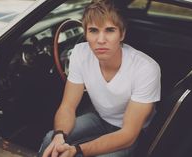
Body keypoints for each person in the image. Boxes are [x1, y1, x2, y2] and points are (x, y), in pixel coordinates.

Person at [39, 0, 161, 156]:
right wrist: (59, 137)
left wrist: (77, 150)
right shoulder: (80, 53)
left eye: (110, 30)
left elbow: (128, 135)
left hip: (132, 132)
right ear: (85, 33)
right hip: (100, 118)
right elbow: (67, 106)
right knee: (51, 140)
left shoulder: (146, 68)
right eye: (93, 31)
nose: (101, 40)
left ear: (122, 34)